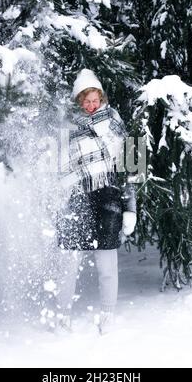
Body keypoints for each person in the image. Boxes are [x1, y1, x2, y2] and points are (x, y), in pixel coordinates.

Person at [54, 69, 137, 334]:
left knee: (107, 263)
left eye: (94, 100)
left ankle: (107, 315)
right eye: (85, 101)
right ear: (79, 101)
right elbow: (59, 169)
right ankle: (61, 315)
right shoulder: (67, 127)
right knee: (67, 261)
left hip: (108, 196)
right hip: (76, 198)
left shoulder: (115, 122)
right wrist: (58, 201)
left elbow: (132, 166)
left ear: (101, 98)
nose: (91, 106)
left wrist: (130, 208)